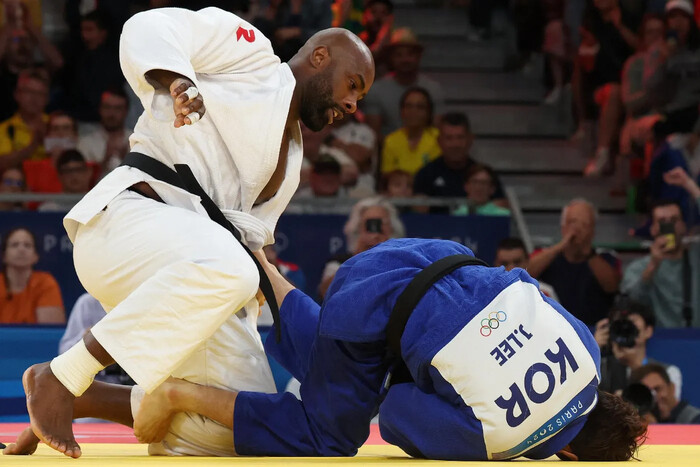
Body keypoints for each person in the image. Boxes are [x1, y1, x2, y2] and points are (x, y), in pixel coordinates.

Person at [21, 6, 374, 459]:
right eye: (353, 86)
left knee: (239, 425)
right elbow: (148, 26)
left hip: (187, 270)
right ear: (321, 57)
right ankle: (64, 375)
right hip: (125, 225)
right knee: (232, 268)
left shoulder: (289, 165)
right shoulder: (252, 57)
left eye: (360, 99)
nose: (352, 105)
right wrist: (177, 81)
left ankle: (84, 398)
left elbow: (252, 257)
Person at [5, 238, 647, 460]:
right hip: (374, 303)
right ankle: (178, 393)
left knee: (343, 369)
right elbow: (394, 417)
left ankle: (265, 270)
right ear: (565, 454)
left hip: (432, 254)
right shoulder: (509, 440)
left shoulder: (589, 358)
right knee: (330, 431)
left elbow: (532, 288)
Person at [528, 199, 621, 326]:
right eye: (572, 222)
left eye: (585, 224)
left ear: (593, 231)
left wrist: (587, 252)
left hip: (593, 330)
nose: (578, 229)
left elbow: (612, 286)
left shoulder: (606, 257)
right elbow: (527, 272)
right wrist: (562, 245)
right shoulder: (546, 255)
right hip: (554, 329)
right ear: (563, 227)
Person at [621, 196, 700, 328]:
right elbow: (630, 303)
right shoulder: (639, 267)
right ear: (653, 229)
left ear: (683, 226)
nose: (669, 227)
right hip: (658, 339)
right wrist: (652, 266)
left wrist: (689, 185)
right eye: (662, 222)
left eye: (674, 220)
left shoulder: (697, 259)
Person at [413, 112, 505, 213]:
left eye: (460, 137)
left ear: (470, 140)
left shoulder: (485, 175)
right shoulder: (425, 174)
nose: (455, 144)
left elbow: (500, 214)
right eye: (449, 138)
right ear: (439, 141)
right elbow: (418, 215)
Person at [362, 28, 445, 137]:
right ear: (391, 58)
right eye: (399, 55)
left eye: (410, 54)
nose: (405, 59)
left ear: (418, 57)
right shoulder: (375, 91)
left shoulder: (433, 89)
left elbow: (437, 132)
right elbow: (373, 135)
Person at [595, 296, 682, 399]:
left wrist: (634, 364)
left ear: (648, 331)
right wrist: (593, 349)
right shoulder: (598, 368)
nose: (625, 329)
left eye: (631, 323)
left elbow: (664, 412)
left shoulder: (669, 373)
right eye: (619, 324)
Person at [318, 196, 404, 299]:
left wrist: (387, 250)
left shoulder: (403, 262)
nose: (374, 230)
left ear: (391, 228)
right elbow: (325, 293)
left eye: (380, 223)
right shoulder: (338, 263)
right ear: (358, 229)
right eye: (369, 223)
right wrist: (358, 257)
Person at [61, 10, 125, 123]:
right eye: (83, 30)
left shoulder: (115, 62)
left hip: (104, 120)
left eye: (90, 30)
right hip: (76, 117)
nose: (85, 35)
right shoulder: (77, 57)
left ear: (103, 33)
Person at [0, 227, 64, 324]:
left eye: (27, 245)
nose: (21, 249)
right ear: (4, 256)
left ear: (36, 256)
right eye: (14, 245)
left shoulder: (45, 283)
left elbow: (49, 332)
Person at [380, 87, 440, 175]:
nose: (413, 111)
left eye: (420, 107)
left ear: (428, 112)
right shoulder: (391, 140)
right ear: (402, 111)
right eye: (409, 106)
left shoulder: (439, 138)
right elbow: (387, 178)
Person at [0, 68, 49, 171]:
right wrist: (32, 146)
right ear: (17, 95)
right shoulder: (5, 129)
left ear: (46, 99)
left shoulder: (55, 124)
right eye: (29, 92)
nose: (34, 98)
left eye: (40, 93)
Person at [77, 87, 132, 175]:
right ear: (100, 109)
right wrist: (105, 161)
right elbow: (82, 179)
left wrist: (127, 159)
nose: (111, 113)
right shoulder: (86, 143)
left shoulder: (136, 140)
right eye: (107, 107)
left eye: (117, 108)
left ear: (126, 111)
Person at [630, 363, 700, 423]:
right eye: (647, 393)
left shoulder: (694, 419)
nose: (655, 397)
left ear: (672, 388)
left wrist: (655, 429)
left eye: (657, 389)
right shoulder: (641, 422)